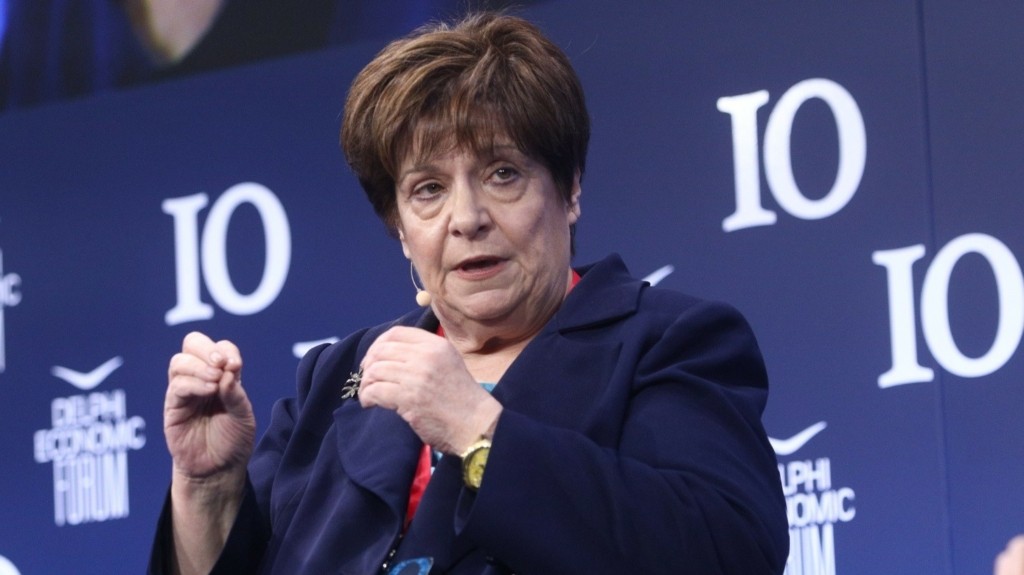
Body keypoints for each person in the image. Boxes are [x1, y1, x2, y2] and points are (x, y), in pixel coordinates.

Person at [149, 11, 789, 574]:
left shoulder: (667, 343)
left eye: (502, 174)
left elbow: (729, 551)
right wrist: (207, 487)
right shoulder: (338, 378)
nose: (467, 218)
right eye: (428, 189)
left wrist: (479, 431)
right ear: (401, 228)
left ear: (569, 190)